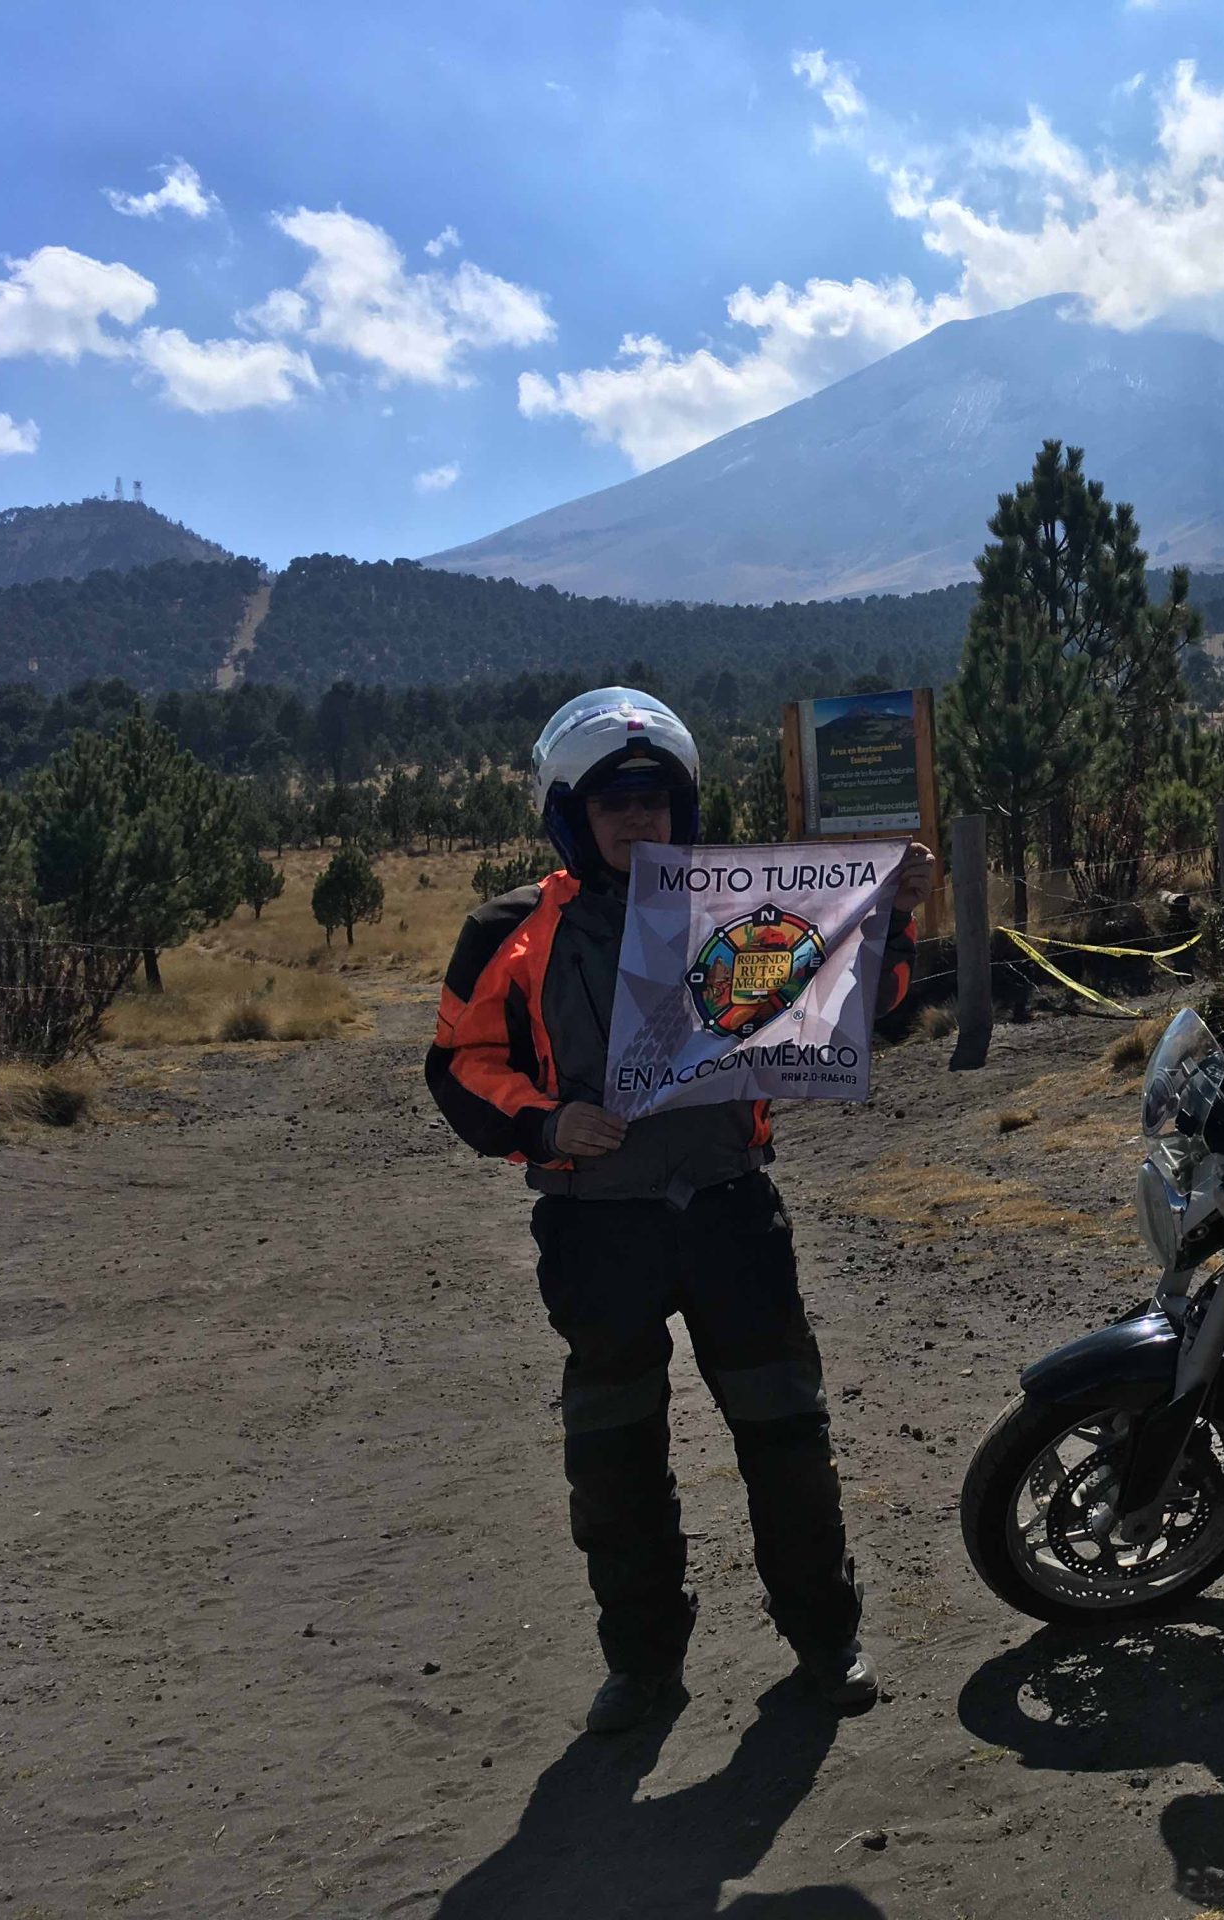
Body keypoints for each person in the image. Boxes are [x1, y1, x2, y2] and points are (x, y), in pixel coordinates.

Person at [425, 688, 935, 1733]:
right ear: (568, 813)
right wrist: (546, 1120)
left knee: (785, 1435)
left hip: (727, 1215)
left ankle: (825, 1638)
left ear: (685, 805)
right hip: (596, 1225)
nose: (636, 819)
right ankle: (643, 1664)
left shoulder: (742, 911)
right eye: (610, 802)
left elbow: (863, 1008)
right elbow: (458, 1065)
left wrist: (898, 911)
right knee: (614, 1458)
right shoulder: (508, 932)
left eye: (655, 799)